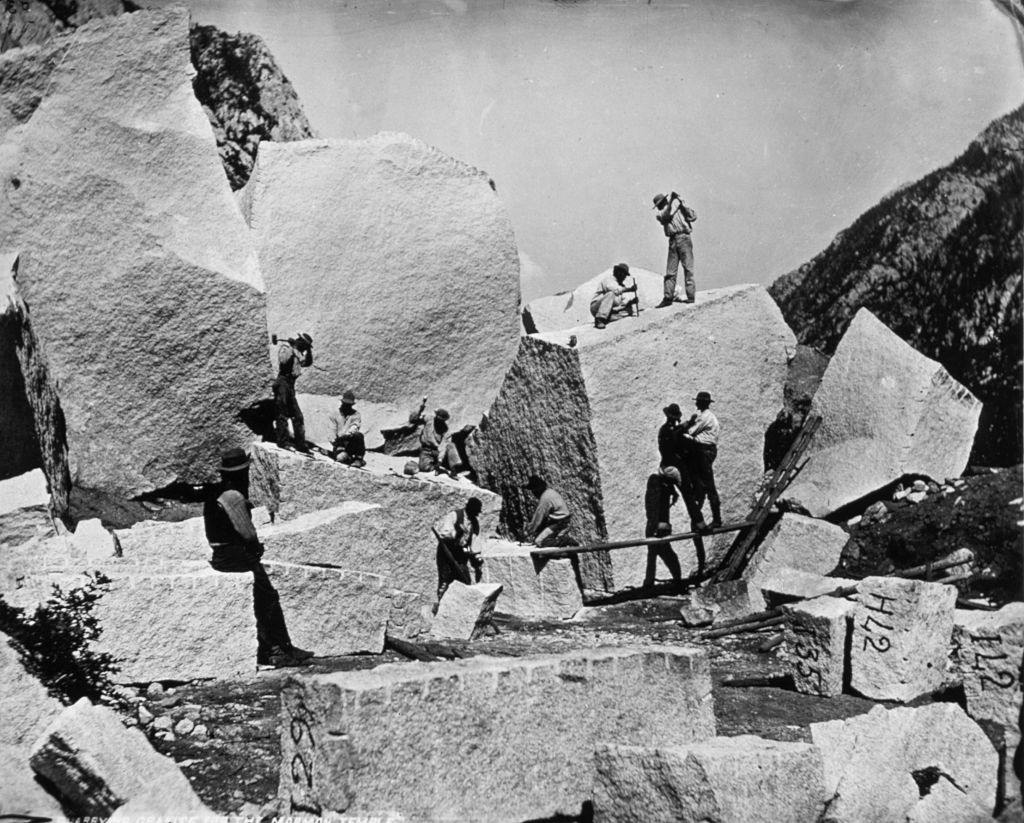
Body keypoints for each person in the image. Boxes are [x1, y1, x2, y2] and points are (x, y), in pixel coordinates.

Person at [204, 447, 313, 668]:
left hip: (221, 554)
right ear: (240, 473)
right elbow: (247, 533)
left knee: (264, 598)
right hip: (235, 556)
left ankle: (282, 647)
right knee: (268, 598)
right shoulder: (233, 496)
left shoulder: (214, 494)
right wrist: (256, 549)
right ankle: (279, 649)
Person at [681, 391, 722, 528]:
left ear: (702, 403)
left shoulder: (704, 417)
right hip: (708, 451)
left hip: (703, 451)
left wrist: (684, 426)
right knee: (705, 483)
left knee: (709, 485)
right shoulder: (711, 417)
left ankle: (716, 519)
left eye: (698, 401)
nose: (696, 403)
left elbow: (690, 432)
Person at [432, 497, 484, 604]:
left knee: (465, 581)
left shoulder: (474, 523)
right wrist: (457, 532)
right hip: (447, 553)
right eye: (475, 512)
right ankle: (441, 606)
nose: (476, 515)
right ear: (469, 509)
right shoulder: (455, 515)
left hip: (461, 555)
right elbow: (445, 533)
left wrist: (477, 557)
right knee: (445, 581)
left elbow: (474, 541)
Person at [652, 192, 696, 307]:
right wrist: (672, 201)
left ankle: (691, 296)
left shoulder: (678, 207)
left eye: (662, 203)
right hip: (673, 240)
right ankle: (668, 297)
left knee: (688, 269)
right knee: (670, 272)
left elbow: (693, 216)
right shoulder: (660, 214)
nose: (661, 205)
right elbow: (666, 215)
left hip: (684, 238)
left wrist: (682, 203)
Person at [642, 466, 684, 589]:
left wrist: (673, 491)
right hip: (656, 528)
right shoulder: (655, 482)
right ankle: (677, 583)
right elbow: (651, 506)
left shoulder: (665, 484)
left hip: (660, 528)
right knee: (667, 556)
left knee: (654, 557)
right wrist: (657, 525)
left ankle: (649, 585)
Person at [274, 332, 313, 452]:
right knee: (282, 413)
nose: (305, 349)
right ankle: (282, 442)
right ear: (300, 342)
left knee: (298, 416)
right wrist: (292, 348)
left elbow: (307, 362)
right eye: (305, 346)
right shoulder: (286, 348)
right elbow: (283, 360)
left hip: (290, 386)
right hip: (282, 383)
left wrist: (308, 352)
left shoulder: (299, 354)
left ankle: (301, 444)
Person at [524, 474, 572, 547]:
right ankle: (560, 539)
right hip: (563, 521)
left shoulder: (545, 499)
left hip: (560, 523)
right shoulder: (550, 492)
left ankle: (565, 541)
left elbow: (537, 519)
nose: (533, 493)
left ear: (537, 490)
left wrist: (528, 531)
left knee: (539, 541)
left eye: (533, 490)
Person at [412, 407, 463, 474]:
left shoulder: (445, 429)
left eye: (441, 420)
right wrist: (420, 409)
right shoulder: (429, 418)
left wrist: (440, 459)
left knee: (450, 445)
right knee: (424, 468)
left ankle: (454, 468)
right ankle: (433, 464)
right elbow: (415, 420)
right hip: (426, 449)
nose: (438, 421)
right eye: (437, 418)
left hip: (437, 450)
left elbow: (443, 445)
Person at [590, 263, 640, 329]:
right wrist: (629, 289)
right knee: (611, 294)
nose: (625, 277)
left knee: (628, 311)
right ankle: (599, 319)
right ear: (618, 272)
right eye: (624, 274)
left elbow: (622, 302)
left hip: (609, 310)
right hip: (597, 307)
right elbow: (614, 290)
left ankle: (607, 318)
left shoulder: (622, 286)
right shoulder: (608, 280)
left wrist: (631, 302)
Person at [329, 389, 365, 468]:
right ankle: (346, 456)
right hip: (339, 443)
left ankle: (358, 459)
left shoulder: (356, 414)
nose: (347, 406)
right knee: (341, 458)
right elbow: (332, 431)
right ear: (342, 403)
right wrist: (336, 441)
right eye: (345, 404)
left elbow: (355, 426)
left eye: (349, 405)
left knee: (359, 436)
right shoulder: (334, 414)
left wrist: (348, 434)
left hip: (350, 441)